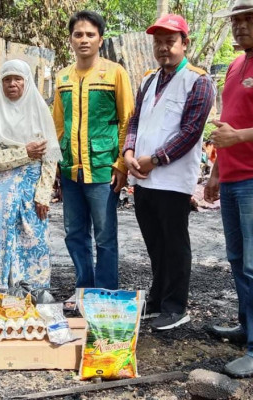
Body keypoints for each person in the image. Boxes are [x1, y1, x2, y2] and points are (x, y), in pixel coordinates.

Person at [123, 14, 215, 330]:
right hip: (144, 177)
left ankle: (176, 307)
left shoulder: (199, 81)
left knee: (175, 243)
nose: (163, 48)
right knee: (154, 242)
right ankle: (158, 297)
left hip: (173, 180)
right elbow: (135, 121)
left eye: (170, 41)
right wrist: (129, 152)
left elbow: (190, 131)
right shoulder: (149, 79)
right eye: (158, 42)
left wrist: (155, 160)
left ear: (184, 43)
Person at [52, 11, 134, 299]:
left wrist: (121, 164)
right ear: (71, 40)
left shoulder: (115, 73)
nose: (84, 39)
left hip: (103, 169)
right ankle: (84, 288)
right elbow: (58, 126)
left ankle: (106, 292)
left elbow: (127, 120)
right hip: (70, 169)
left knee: (105, 236)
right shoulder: (62, 77)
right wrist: (54, 166)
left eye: (90, 34)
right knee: (75, 233)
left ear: (100, 39)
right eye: (78, 34)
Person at [0, 59, 61, 292]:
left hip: (32, 186)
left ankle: (33, 291)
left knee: (31, 235)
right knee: (2, 235)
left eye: (17, 79)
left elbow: (50, 155)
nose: (12, 84)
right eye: (6, 79)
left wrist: (44, 194)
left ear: (27, 82)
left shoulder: (39, 109)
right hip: (0, 187)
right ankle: (1, 291)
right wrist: (24, 152)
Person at [205, 0, 253, 378]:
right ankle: (246, 326)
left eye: (248, 20)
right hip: (234, 178)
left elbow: (236, 131)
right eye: (235, 22)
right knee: (237, 260)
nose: (240, 27)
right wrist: (217, 171)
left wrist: (239, 136)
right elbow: (228, 127)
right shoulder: (236, 66)